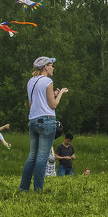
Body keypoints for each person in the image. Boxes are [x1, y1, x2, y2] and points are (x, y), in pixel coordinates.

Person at [19, 57, 67, 192]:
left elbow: (32, 104)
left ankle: (23, 188)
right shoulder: (47, 81)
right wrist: (61, 93)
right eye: (52, 65)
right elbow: (53, 105)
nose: (53, 68)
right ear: (46, 67)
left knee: (32, 156)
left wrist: (53, 94)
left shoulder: (30, 81)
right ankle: (38, 189)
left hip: (33, 120)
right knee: (42, 158)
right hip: (47, 121)